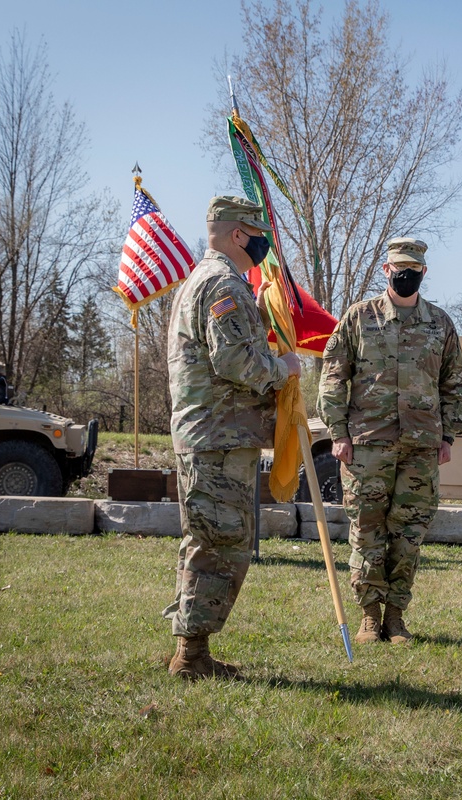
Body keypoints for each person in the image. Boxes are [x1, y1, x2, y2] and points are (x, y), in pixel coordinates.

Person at [163, 195, 301, 680]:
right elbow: (236, 361)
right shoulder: (223, 284)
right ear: (239, 234)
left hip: (210, 436)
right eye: (258, 232)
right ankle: (192, 656)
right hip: (218, 438)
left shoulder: (197, 282)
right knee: (221, 544)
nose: (264, 241)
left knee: (204, 540)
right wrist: (282, 369)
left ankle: (190, 645)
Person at [317, 237, 462, 645]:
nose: (405, 274)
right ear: (385, 270)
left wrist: (448, 435)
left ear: (423, 272)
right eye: (399, 267)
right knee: (367, 530)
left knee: (409, 532)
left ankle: (396, 618)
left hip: (421, 447)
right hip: (367, 444)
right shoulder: (358, 318)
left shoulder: (440, 324)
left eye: (413, 269)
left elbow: (454, 383)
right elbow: (333, 377)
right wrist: (338, 433)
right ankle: (369, 617)